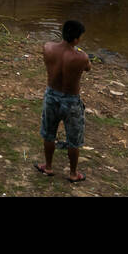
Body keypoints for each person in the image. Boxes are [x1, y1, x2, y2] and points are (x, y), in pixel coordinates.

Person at [35, 19, 91, 182]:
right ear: (76, 39)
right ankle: (73, 173)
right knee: (74, 139)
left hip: (51, 95)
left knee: (49, 133)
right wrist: (79, 51)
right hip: (71, 101)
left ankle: (48, 166)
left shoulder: (48, 47)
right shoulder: (81, 57)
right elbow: (88, 67)